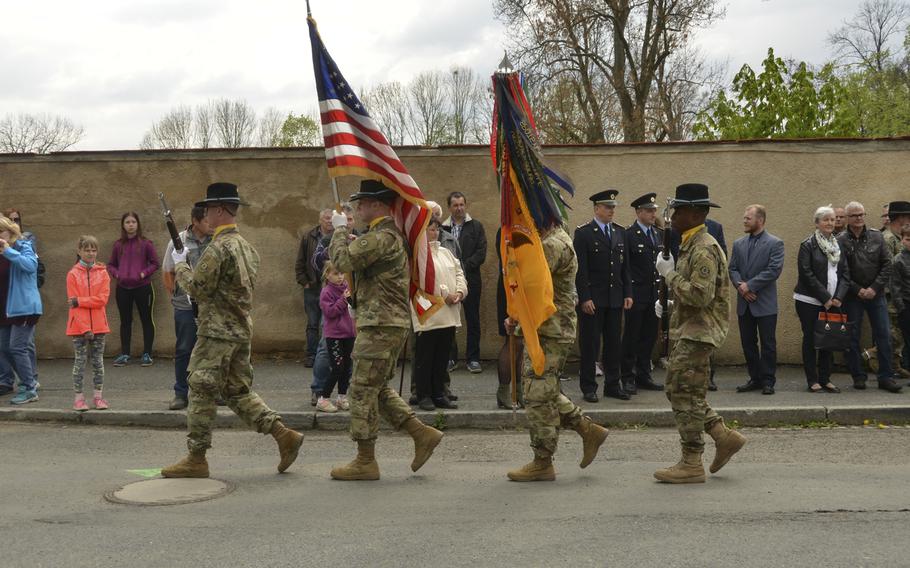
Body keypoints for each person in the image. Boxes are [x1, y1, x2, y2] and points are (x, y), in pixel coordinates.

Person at [161, 182, 304, 478]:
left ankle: (196, 457)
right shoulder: (247, 248)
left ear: (220, 210)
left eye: (210, 210)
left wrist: (181, 265)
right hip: (239, 329)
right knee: (237, 391)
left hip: (216, 332)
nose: (206, 215)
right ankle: (282, 434)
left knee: (200, 388)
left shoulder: (218, 248)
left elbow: (198, 289)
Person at [327, 179, 443, 481]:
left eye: (362, 202)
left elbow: (342, 261)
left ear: (378, 204)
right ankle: (420, 433)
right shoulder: (385, 237)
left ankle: (365, 460)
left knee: (362, 389)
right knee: (376, 388)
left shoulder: (381, 237)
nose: (358, 207)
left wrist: (339, 230)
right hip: (385, 322)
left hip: (380, 324)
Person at [653, 183, 745, 484]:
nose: (673, 217)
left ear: (694, 213)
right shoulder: (690, 243)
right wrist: (669, 303)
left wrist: (669, 276)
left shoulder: (703, 247)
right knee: (680, 390)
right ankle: (722, 435)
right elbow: (694, 294)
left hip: (699, 333)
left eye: (677, 211)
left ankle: (692, 461)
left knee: (682, 392)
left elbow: (699, 296)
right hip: (691, 329)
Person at [504, 225, 609, 482]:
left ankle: (543, 460)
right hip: (548, 328)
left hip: (552, 330)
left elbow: (535, 287)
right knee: (544, 388)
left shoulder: (552, 244)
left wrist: (517, 319)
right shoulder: (554, 239)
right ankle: (587, 430)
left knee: (538, 394)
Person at [573, 189, 633, 402]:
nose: (611, 211)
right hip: (594, 299)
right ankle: (589, 386)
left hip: (615, 297)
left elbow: (624, 267)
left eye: (613, 207)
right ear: (597, 208)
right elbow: (581, 270)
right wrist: (585, 297)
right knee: (590, 344)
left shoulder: (619, 232)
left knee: (613, 344)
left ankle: (612, 385)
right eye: (608, 207)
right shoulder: (584, 233)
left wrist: (627, 292)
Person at [837, 201, 902, 392]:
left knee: (884, 335)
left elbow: (887, 265)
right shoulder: (841, 240)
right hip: (853, 296)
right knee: (852, 336)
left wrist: (874, 288)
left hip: (877, 294)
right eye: (855, 215)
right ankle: (858, 376)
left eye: (862, 214)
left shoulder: (876, 236)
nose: (859, 218)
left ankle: (886, 377)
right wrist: (858, 290)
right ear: (848, 218)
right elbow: (842, 271)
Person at [411, 218, 466, 411]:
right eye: (429, 229)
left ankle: (438, 393)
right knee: (425, 356)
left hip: (449, 313)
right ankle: (423, 394)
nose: (433, 233)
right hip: (429, 312)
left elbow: (459, 274)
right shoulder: (418, 255)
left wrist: (460, 292)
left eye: (436, 229)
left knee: (442, 356)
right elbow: (423, 281)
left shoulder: (446, 253)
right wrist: (445, 294)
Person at [793, 206, 851, 393]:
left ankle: (825, 378)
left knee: (829, 339)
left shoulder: (838, 244)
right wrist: (825, 297)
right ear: (817, 223)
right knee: (811, 339)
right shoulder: (808, 244)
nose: (830, 223)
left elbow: (846, 275)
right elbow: (806, 274)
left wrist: (838, 298)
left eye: (833, 220)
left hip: (834, 302)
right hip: (809, 301)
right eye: (825, 219)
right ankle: (812, 380)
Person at [729, 205, 785, 395]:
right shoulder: (738, 243)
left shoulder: (775, 243)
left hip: (765, 303)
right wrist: (741, 288)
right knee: (748, 342)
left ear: (760, 220)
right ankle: (755, 378)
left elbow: (773, 270)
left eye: (748, 218)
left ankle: (768, 380)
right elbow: (733, 268)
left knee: (768, 344)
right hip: (745, 303)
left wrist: (750, 286)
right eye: (744, 218)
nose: (744, 221)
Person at [162, 206, 213, 410]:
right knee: (184, 349)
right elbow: (168, 271)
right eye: (207, 221)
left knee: (212, 349)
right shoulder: (178, 241)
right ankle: (181, 393)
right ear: (195, 221)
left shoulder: (216, 240)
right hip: (185, 305)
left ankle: (212, 390)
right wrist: (178, 296)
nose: (211, 224)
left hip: (210, 305)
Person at [620, 192, 664, 394]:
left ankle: (643, 374)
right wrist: (627, 293)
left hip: (654, 294)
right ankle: (628, 377)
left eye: (654, 210)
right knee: (631, 337)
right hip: (636, 294)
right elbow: (626, 268)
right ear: (638, 212)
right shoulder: (628, 235)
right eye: (648, 210)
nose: (653, 214)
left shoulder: (657, 234)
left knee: (649, 337)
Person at [107, 212, 159, 367]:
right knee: (125, 321)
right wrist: (118, 274)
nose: (131, 224)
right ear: (123, 225)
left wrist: (143, 273)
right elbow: (111, 265)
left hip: (143, 288)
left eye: (133, 222)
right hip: (123, 288)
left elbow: (155, 263)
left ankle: (147, 354)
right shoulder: (118, 245)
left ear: (138, 224)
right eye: (127, 222)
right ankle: (125, 354)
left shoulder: (146, 244)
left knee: (146, 319)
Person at [443, 191, 487, 374]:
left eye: (462, 205)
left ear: (465, 205)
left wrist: (462, 266)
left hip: (471, 280)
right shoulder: (442, 229)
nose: (459, 208)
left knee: (472, 319)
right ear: (449, 207)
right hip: (447, 280)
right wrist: (450, 269)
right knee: (449, 320)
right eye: (455, 205)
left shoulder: (476, 227)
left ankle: (473, 358)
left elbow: (481, 252)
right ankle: (450, 357)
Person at [0, 215, 42, 405]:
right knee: (4, 348)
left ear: (10, 231)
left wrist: (8, 251)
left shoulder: (23, 245)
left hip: (24, 306)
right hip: (6, 308)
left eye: (1, 232)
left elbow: (31, 266)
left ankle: (29, 387)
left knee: (18, 347)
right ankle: (27, 382)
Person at [66, 235, 110, 411]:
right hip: (78, 327)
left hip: (100, 326)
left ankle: (98, 397)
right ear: (79, 251)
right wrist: (85, 329)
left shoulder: (103, 273)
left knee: (98, 362)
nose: (91, 253)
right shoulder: (72, 274)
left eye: (93, 250)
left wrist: (81, 300)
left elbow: (103, 299)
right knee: (80, 362)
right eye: (87, 250)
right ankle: (78, 398)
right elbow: (73, 306)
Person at [295, 208, 334, 368]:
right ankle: (311, 356)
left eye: (332, 219)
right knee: (312, 324)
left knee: (329, 324)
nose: (329, 221)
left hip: (332, 287)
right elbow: (300, 261)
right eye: (326, 218)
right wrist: (304, 281)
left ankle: (328, 356)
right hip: (313, 287)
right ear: (320, 220)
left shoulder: (338, 237)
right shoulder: (309, 237)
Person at [316, 261, 355, 413]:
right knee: (337, 367)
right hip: (335, 336)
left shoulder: (347, 288)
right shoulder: (326, 292)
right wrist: (343, 300)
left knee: (346, 368)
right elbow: (330, 312)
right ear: (327, 275)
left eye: (341, 273)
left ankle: (342, 396)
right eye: (335, 274)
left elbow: (354, 308)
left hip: (348, 334)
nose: (340, 277)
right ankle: (323, 398)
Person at [881, 201, 910, 379]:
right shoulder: (888, 239)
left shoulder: (899, 237)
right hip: (892, 295)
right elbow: (891, 271)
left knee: (900, 334)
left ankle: (898, 365)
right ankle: (889, 366)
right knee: (893, 334)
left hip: (900, 295)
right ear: (900, 218)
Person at [890, 224, 910, 376]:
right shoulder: (898, 260)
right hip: (906, 305)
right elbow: (895, 287)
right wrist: (901, 308)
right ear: (902, 240)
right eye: (908, 239)